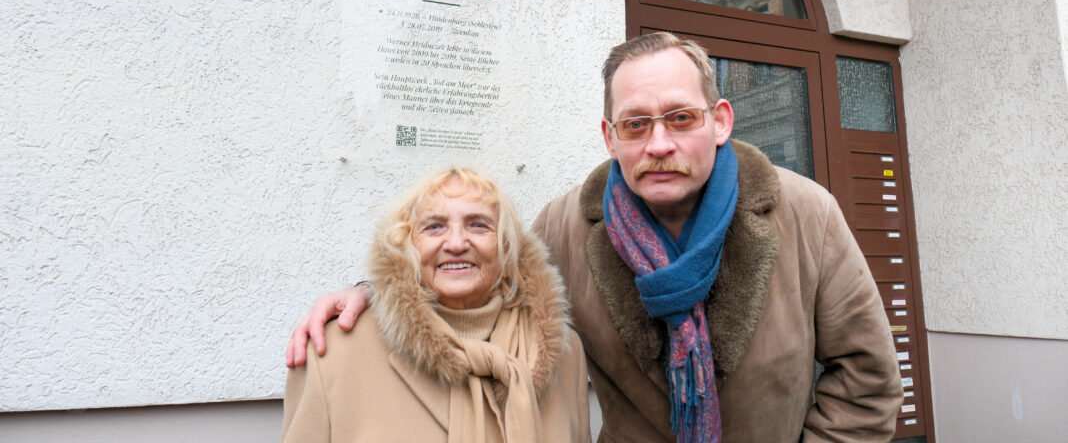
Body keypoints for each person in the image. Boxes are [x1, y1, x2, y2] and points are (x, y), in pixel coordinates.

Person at [286, 33, 903, 442]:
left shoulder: (803, 213)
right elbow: (478, 281)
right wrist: (374, 290)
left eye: (679, 118)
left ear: (719, 122)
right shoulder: (566, 226)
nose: (658, 144)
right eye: (636, 125)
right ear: (611, 138)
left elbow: (868, 377)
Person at [281, 167, 590, 443]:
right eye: (434, 227)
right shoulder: (333, 352)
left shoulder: (565, 353)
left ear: (506, 249)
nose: (456, 244)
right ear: (407, 246)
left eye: (478, 225)